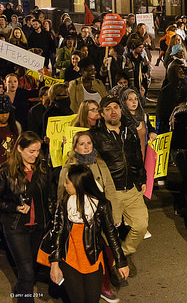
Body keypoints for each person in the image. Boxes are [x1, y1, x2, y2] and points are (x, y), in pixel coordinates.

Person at [48, 164, 128, 303]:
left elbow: (111, 234)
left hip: (93, 260)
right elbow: (57, 233)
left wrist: (121, 262)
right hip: (69, 261)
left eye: (67, 182)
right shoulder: (63, 204)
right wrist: (54, 264)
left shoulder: (101, 205)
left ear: (78, 184)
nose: (65, 185)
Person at [90, 95, 147, 283]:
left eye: (116, 107)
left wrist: (142, 178)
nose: (113, 111)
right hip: (110, 193)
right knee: (109, 234)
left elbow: (137, 156)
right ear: (101, 113)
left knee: (140, 226)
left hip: (131, 189)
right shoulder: (94, 136)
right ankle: (112, 265)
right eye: (108, 108)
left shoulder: (129, 131)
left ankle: (121, 254)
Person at [0, 132, 56, 303]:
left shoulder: (43, 169)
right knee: (27, 272)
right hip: (16, 227)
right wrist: (14, 207)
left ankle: (20, 290)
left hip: (39, 226)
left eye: (38, 151)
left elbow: (50, 198)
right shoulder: (5, 171)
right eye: (31, 151)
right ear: (19, 148)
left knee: (30, 267)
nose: (35, 155)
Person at [0, 94, 22, 165]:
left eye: (7, 112)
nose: (4, 116)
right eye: (1, 113)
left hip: (13, 166)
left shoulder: (16, 126)